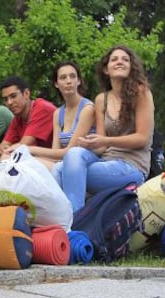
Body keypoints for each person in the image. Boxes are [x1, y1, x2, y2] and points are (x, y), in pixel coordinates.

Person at [57, 45, 154, 213]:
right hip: (106, 161)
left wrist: (106, 140)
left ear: (131, 67)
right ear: (106, 69)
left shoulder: (142, 93)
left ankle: (74, 222)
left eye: (125, 59)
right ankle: (68, 219)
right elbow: (101, 146)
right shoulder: (102, 99)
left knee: (67, 173)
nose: (120, 62)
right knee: (67, 160)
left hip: (132, 167)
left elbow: (142, 139)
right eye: (114, 59)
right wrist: (89, 143)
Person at [17, 60, 95, 173]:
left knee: (28, 164)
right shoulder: (58, 113)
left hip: (84, 165)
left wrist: (28, 149)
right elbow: (55, 151)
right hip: (63, 163)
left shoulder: (87, 108)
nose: (68, 81)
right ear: (56, 84)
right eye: (63, 77)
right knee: (18, 161)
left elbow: (69, 151)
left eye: (72, 76)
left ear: (78, 81)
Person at [0, 76, 56, 174]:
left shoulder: (42, 108)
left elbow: (22, 146)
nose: (9, 102)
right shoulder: (17, 119)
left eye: (13, 96)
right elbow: (4, 146)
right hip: (36, 163)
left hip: (56, 164)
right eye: (5, 99)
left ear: (26, 94)